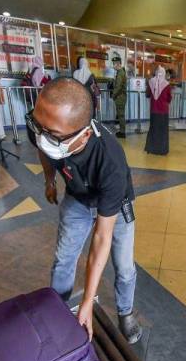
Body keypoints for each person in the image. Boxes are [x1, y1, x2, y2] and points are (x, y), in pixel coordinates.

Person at [27, 77, 142, 344]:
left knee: (124, 266)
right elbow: (43, 148)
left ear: (84, 134)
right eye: (37, 126)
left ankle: (125, 312)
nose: (41, 136)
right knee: (63, 259)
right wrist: (49, 180)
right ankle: (56, 309)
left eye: (51, 134)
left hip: (115, 205)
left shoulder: (110, 162)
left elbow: (102, 237)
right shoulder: (44, 124)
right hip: (77, 199)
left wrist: (88, 301)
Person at [145, 66, 172, 155]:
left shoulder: (151, 82)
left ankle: (151, 148)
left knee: (153, 129)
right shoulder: (167, 84)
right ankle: (162, 150)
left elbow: (147, 94)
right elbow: (169, 98)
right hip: (163, 111)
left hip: (154, 111)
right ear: (164, 73)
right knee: (163, 131)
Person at [111, 56, 127, 138]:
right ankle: (121, 131)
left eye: (114, 64)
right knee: (120, 115)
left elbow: (118, 87)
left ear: (117, 64)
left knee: (121, 115)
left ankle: (122, 132)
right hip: (120, 96)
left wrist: (113, 95)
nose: (113, 65)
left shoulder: (120, 73)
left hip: (120, 97)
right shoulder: (120, 72)